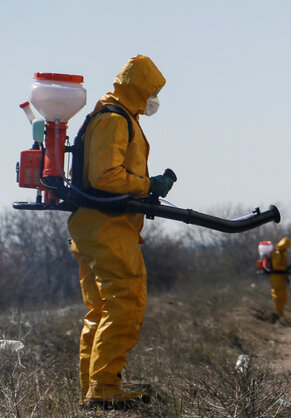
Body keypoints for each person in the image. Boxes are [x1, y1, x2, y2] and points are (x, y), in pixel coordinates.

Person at [68, 55, 172, 409]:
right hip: (106, 227)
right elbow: (105, 177)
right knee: (125, 302)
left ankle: (93, 390)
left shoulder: (117, 116)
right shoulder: (114, 119)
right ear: (139, 88)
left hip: (95, 225)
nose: (154, 97)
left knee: (101, 309)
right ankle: (104, 389)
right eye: (152, 90)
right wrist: (146, 185)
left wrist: (147, 187)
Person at [269, 237, 291, 323]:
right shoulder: (278, 253)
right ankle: (278, 314)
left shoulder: (282, 252)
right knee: (278, 296)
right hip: (276, 278)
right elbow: (276, 266)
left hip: (281, 277)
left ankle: (281, 313)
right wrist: (286, 268)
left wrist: (286, 275)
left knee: (283, 296)